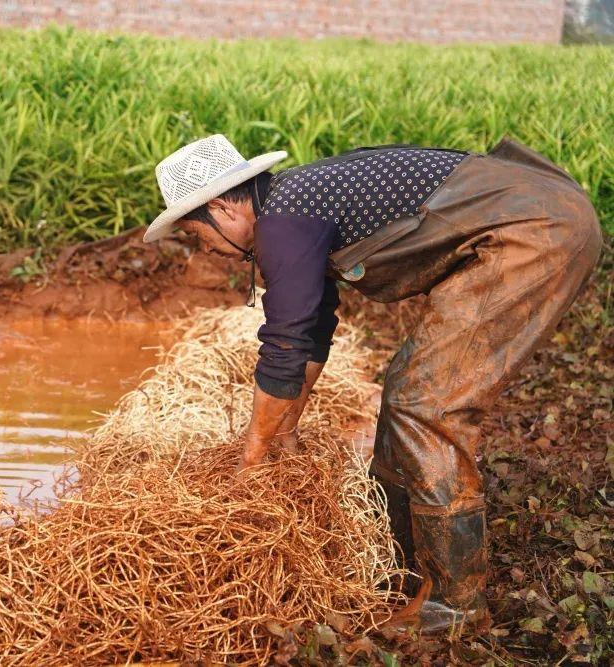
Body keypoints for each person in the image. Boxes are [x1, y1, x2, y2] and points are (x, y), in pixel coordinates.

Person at [143, 135, 602, 630]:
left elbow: (284, 344)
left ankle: (455, 606)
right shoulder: (293, 208)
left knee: (426, 405)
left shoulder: (283, 221)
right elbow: (313, 330)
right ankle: (400, 562)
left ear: (222, 208)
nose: (204, 249)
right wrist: (286, 428)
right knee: (408, 388)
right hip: (537, 216)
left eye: (196, 234)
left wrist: (251, 458)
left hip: (534, 230)